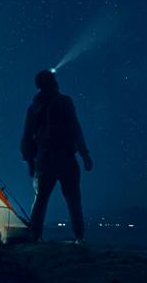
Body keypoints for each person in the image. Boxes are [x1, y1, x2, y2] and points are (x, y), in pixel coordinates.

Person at [21, 69, 93, 243]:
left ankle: (35, 236)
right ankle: (79, 238)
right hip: (65, 157)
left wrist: (30, 160)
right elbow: (76, 128)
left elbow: (27, 136)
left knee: (41, 200)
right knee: (73, 199)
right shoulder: (64, 102)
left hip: (44, 159)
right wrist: (84, 154)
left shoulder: (34, 108)